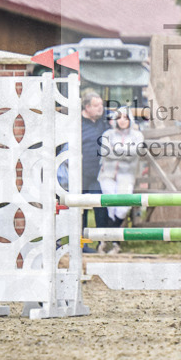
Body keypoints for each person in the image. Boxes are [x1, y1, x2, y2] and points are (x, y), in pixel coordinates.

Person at [97, 106, 145, 253]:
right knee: (111, 206)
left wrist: (116, 151)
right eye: (119, 117)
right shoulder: (107, 134)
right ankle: (115, 244)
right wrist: (125, 152)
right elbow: (105, 152)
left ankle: (106, 238)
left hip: (127, 175)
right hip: (107, 175)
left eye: (125, 117)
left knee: (123, 207)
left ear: (130, 119)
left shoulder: (137, 135)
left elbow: (135, 152)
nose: (122, 120)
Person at [81, 91, 109, 252]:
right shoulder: (76, 123)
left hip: (99, 174)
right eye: (97, 106)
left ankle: (101, 243)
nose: (101, 108)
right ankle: (82, 243)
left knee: (101, 207)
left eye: (101, 105)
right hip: (80, 173)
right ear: (87, 107)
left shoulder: (103, 122)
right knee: (80, 209)